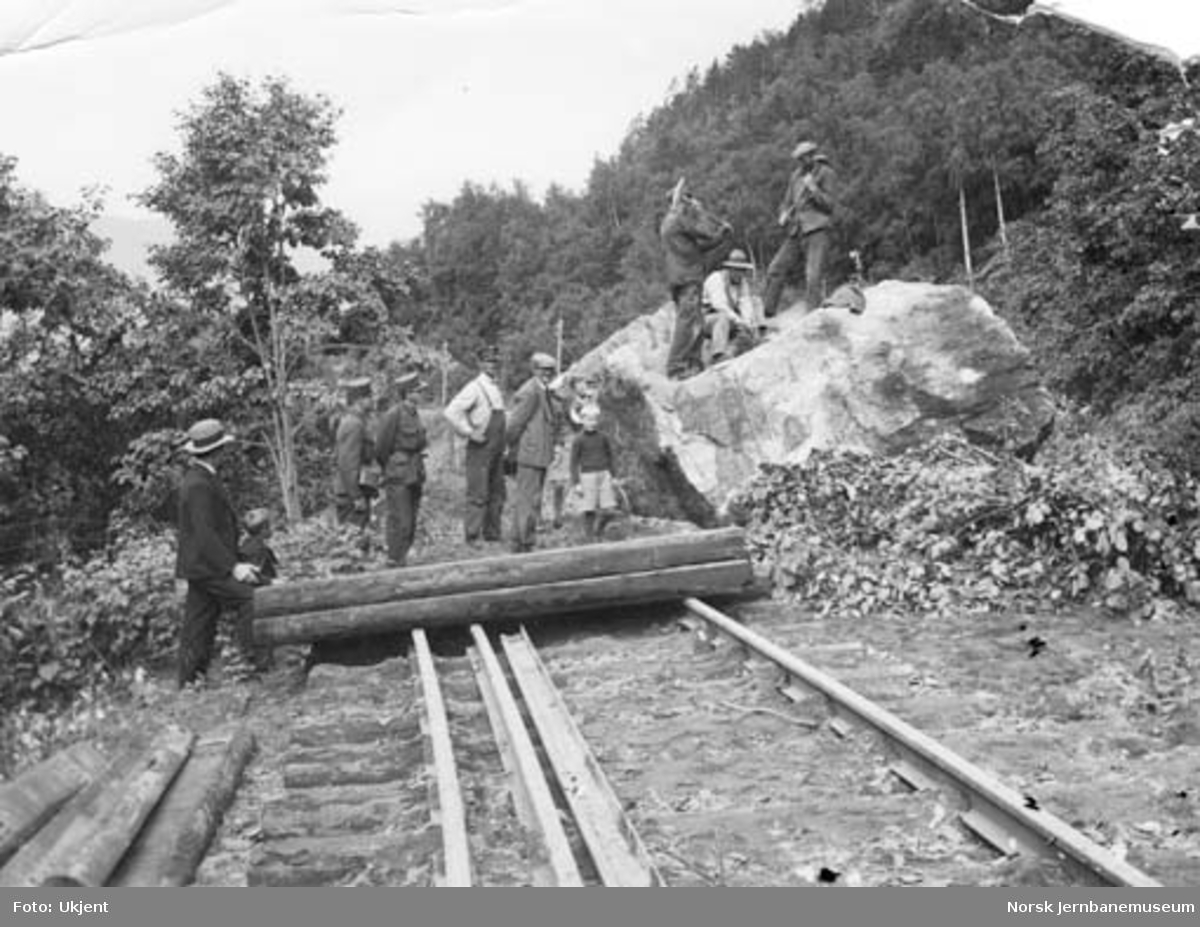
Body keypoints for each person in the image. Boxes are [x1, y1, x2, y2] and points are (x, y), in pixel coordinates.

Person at [174, 418, 271, 688]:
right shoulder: (198, 485)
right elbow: (205, 535)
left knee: (199, 623)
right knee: (251, 598)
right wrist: (234, 568)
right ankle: (251, 663)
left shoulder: (203, 478)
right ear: (217, 452)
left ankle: (191, 679)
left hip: (205, 565)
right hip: (208, 566)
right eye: (224, 450)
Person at [660, 179, 735, 379]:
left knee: (697, 322)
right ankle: (676, 367)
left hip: (682, 278)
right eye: (688, 200)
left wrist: (720, 237)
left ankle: (694, 363)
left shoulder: (671, 223)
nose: (692, 203)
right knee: (687, 322)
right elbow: (704, 232)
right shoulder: (678, 219)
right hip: (687, 278)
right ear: (681, 201)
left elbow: (699, 248)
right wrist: (714, 223)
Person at [762, 141, 838, 319]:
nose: (802, 161)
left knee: (813, 276)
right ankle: (768, 314)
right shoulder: (795, 176)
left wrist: (814, 190)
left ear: (813, 155)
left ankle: (812, 317)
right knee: (775, 268)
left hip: (817, 229)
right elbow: (786, 202)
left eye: (805, 157)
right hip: (796, 229)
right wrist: (782, 214)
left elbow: (830, 205)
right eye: (799, 159)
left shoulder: (826, 173)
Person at [443, 346, 506, 546]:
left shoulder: (496, 387)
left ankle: (492, 534)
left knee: (496, 492)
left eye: (495, 362)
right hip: (480, 448)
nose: (492, 365)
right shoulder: (474, 387)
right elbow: (451, 411)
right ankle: (472, 536)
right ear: (481, 364)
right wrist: (470, 432)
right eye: (488, 361)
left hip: (496, 448)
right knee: (478, 493)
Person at [506, 352, 560, 553]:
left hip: (539, 455)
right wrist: (511, 448)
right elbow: (514, 424)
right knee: (526, 501)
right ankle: (523, 543)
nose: (547, 374)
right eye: (542, 370)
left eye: (550, 371)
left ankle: (522, 540)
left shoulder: (543, 390)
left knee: (531, 501)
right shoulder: (530, 391)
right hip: (529, 455)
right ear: (534, 370)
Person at [375, 371, 428, 567]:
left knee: (412, 520)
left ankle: (403, 558)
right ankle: (394, 559)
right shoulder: (393, 414)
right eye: (418, 390)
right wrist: (390, 468)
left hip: (415, 472)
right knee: (400, 519)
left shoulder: (415, 413)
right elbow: (381, 448)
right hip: (398, 474)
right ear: (407, 393)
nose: (422, 393)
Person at [702, 248, 766, 364]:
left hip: (731, 320)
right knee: (723, 318)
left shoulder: (742, 283)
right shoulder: (716, 279)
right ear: (729, 269)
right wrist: (739, 321)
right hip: (707, 319)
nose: (739, 273)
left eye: (742, 270)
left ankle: (754, 338)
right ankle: (718, 355)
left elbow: (745, 303)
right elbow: (719, 305)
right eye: (736, 270)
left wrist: (748, 323)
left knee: (755, 301)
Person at [569, 405, 619, 542]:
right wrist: (576, 483)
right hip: (587, 476)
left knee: (609, 509)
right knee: (589, 508)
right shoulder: (578, 440)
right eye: (588, 420)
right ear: (582, 420)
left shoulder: (603, 437)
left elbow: (611, 456)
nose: (592, 423)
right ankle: (589, 538)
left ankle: (599, 530)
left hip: (604, 474)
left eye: (594, 420)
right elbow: (573, 463)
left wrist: (614, 476)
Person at [333, 377, 375, 529]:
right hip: (350, 496)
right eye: (369, 397)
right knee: (353, 544)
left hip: (355, 492)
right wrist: (356, 496)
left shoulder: (358, 421)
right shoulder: (353, 424)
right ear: (359, 400)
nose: (372, 400)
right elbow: (347, 464)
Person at [239, 508, 280, 585]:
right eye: (271, 525)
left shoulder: (248, 543)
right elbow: (252, 574)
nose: (274, 528)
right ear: (264, 528)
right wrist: (271, 582)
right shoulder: (258, 549)